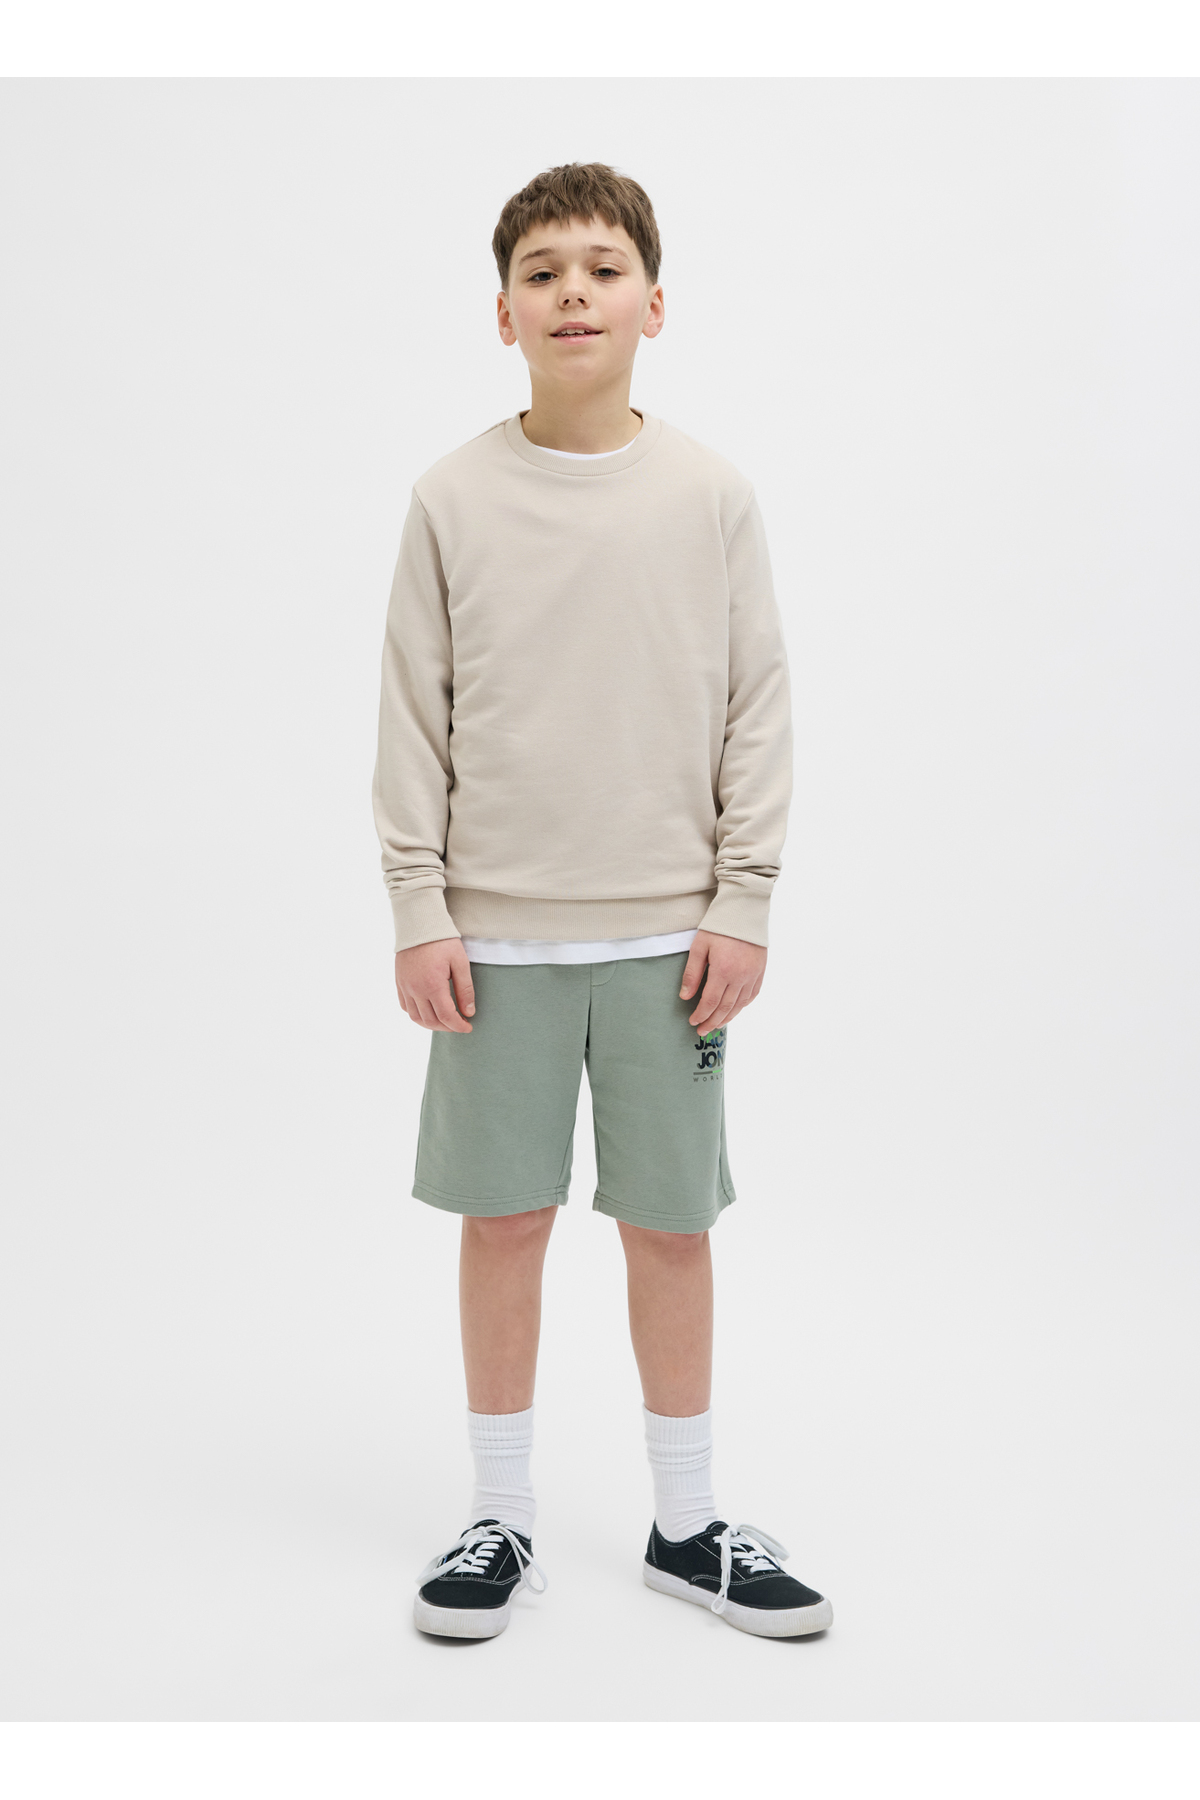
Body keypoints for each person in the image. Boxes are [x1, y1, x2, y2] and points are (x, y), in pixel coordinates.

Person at [372, 161, 832, 1642]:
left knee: (670, 1228)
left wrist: (744, 898)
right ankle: (499, 1517)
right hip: (494, 943)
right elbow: (414, 718)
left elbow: (757, 706)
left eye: (602, 267)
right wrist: (420, 906)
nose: (574, 291)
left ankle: (687, 1527)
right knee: (504, 1221)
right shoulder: (450, 499)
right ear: (503, 313)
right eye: (543, 272)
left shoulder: (710, 497)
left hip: (670, 945)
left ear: (654, 303)